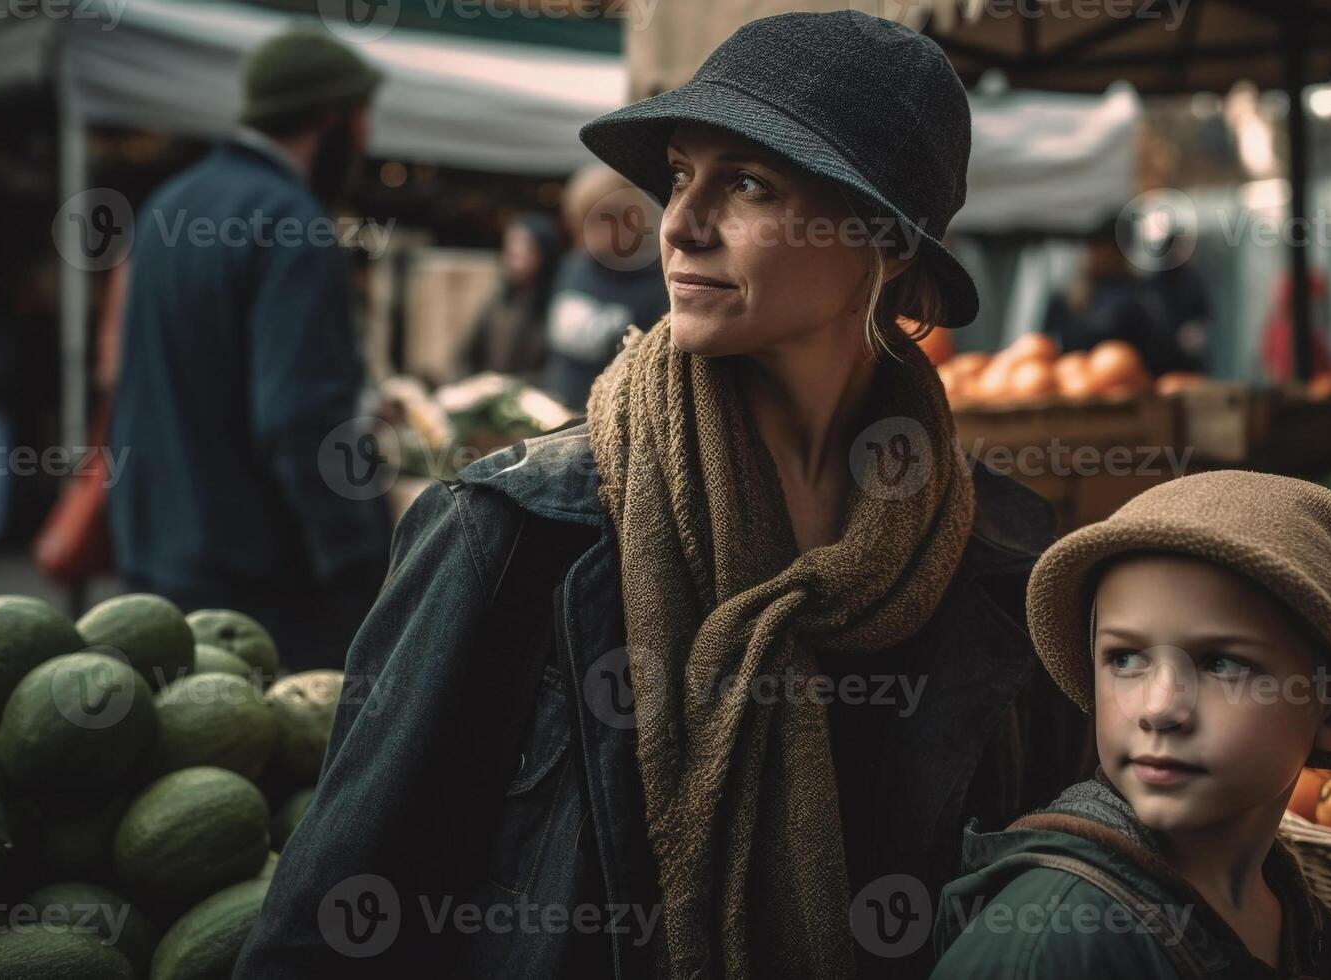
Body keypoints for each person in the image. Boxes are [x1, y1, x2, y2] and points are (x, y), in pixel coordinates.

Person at [235, 11, 1086, 979]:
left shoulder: (998, 554)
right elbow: (329, 922)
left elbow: (1044, 883)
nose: (677, 222)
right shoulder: (512, 535)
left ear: (884, 241)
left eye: (748, 183)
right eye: (681, 173)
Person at [931, 471, 1331, 978]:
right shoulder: (1046, 945)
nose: (1159, 708)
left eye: (1222, 663)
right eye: (1126, 658)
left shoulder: (1289, 908)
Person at [107, 30, 390, 671]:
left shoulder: (167, 205)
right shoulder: (294, 224)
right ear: (332, 117)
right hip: (257, 585)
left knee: (189, 758)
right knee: (279, 759)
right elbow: (302, 419)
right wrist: (361, 567)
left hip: (156, 554)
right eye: (364, 118)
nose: (368, 142)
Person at [541, 165, 671, 408]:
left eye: (588, 226)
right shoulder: (575, 265)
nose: (578, 238)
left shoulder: (661, 282)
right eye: (574, 226)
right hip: (554, 412)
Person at [1042, 218, 1205, 375]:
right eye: (1094, 247)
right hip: (1079, 383)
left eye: (1102, 247)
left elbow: (1162, 350)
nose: (1095, 254)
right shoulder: (1069, 297)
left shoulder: (1139, 295)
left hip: (1128, 383)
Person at [461, 212, 562, 382]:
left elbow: (552, 369)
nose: (515, 253)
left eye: (525, 246)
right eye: (511, 245)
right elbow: (468, 354)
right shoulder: (499, 298)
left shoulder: (554, 303)